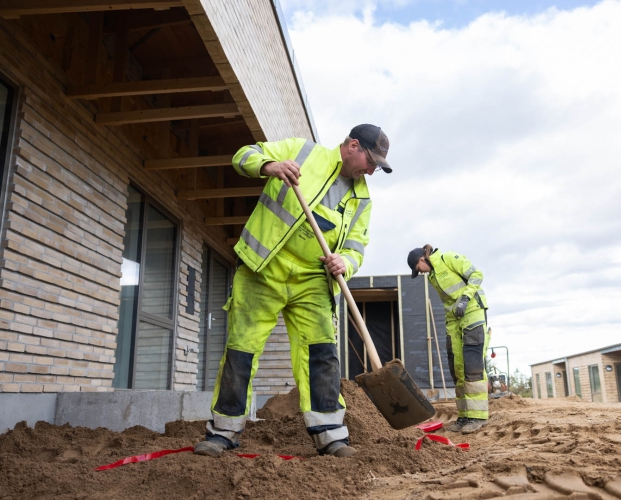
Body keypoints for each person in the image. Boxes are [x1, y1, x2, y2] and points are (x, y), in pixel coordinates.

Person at [194, 125, 392, 458]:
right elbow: (243, 156)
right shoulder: (303, 152)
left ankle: (331, 435)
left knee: (322, 354)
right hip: (264, 268)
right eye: (370, 161)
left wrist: (345, 261)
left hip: (312, 281)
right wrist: (269, 166)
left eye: (376, 167)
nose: (371, 171)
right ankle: (223, 432)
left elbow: (357, 246)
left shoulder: (362, 199)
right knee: (241, 350)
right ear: (353, 146)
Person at [407, 244, 490, 433]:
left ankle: (478, 417)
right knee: (457, 367)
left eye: (418, 269)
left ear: (422, 259)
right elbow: (449, 302)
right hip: (454, 320)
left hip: (472, 311)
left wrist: (465, 299)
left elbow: (477, 275)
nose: (421, 273)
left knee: (472, 365)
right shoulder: (433, 276)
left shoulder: (448, 258)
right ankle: (465, 416)